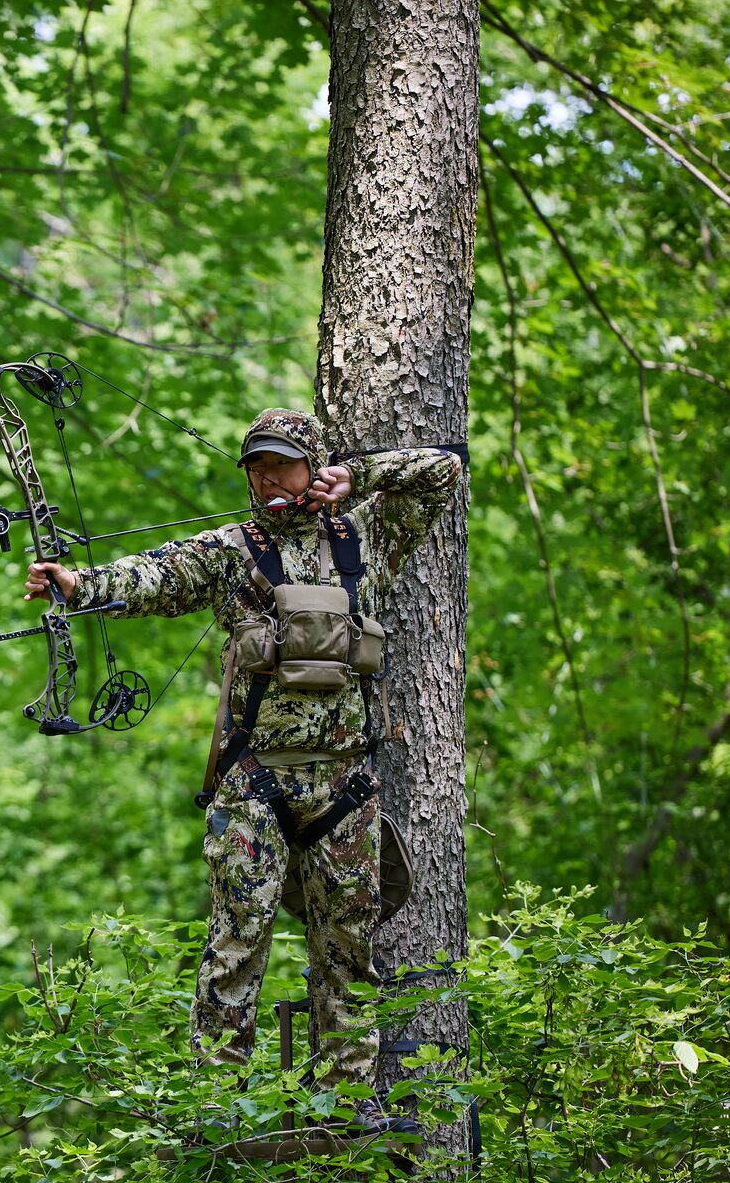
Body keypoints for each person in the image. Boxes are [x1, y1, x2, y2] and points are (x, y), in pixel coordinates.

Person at [23, 408, 462, 1135]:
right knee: (238, 937)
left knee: (349, 949)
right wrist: (74, 584)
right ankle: (217, 1105)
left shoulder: (366, 540)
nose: (266, 478)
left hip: (344, 787)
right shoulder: (235, 551)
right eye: (257, 466)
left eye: (282, 464)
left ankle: (349, 1105)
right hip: (255, 784)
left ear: (313, 466)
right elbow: (152, 575)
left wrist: (361, 477)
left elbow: (443, 472)